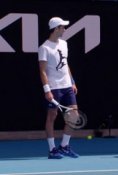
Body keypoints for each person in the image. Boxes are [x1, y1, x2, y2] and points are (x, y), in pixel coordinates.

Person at [38, 17, 79, 159]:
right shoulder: (44, 48)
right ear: (56, 29)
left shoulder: (64, 44)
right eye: (63, 27)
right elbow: (42, 71)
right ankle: (52, 149)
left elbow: (65, 63)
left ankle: (64, 146)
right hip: (54, 88)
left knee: (74, 116)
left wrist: (72, 81)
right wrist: (47, 90)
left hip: (67, 85)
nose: (65, 29)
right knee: (52, 117)